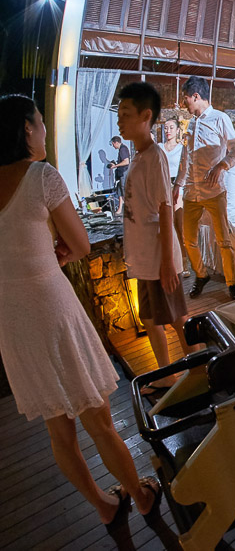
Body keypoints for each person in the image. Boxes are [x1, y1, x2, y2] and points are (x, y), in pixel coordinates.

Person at [0, 94, 162, 546]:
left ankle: (103, 504)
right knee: (99, 420)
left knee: (59, 429)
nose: (46, 130)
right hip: (49, 307)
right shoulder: (41, 176)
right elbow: (82, 243)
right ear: (26, 130)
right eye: (40, 122)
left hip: (10, 318)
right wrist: (62, 248)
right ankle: (142, 496)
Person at [117, 82, 197, 397]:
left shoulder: (154, 157)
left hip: (158, 257)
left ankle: (202, 367)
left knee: (177, 318)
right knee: (150, 317)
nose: (120, 121)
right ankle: (166, 373)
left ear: (145, 116)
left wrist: (167, 262)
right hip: (144, 257)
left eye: (125, 114)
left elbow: (165, 209)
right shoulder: (138, 156)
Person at [174, 76, 235, 300]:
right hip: (191, 192)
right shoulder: (191, 123)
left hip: (214, 192)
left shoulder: (220, 119)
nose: (184, 104)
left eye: (186, 99)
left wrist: (221, 166)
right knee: (188, 240)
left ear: (196, 96)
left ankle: (232, 283)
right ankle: (201, 275)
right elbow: (186, 158)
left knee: (223, 241)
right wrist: (178, 184)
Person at [159, 117, 188, 277]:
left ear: (178, 130)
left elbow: (184, 170)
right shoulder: (159, 148)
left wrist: (178, 186)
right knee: (165, 227)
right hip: (162, 188)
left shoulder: (182, 149)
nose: (168, 131)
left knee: (180, 227)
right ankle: (169, 264)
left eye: (171, 127)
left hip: (178, 189)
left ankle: (183, 263)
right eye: (165, 128)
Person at [108, 135, 131, 215]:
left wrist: (115, 166)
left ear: (116, 142)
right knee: (120, 190)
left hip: (124, 172)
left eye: (113, 144)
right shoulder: (121, 149)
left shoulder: (123, 149)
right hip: (121, 173)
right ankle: (120, 208)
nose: (113, 146)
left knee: (124, 190)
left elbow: (126, 161)